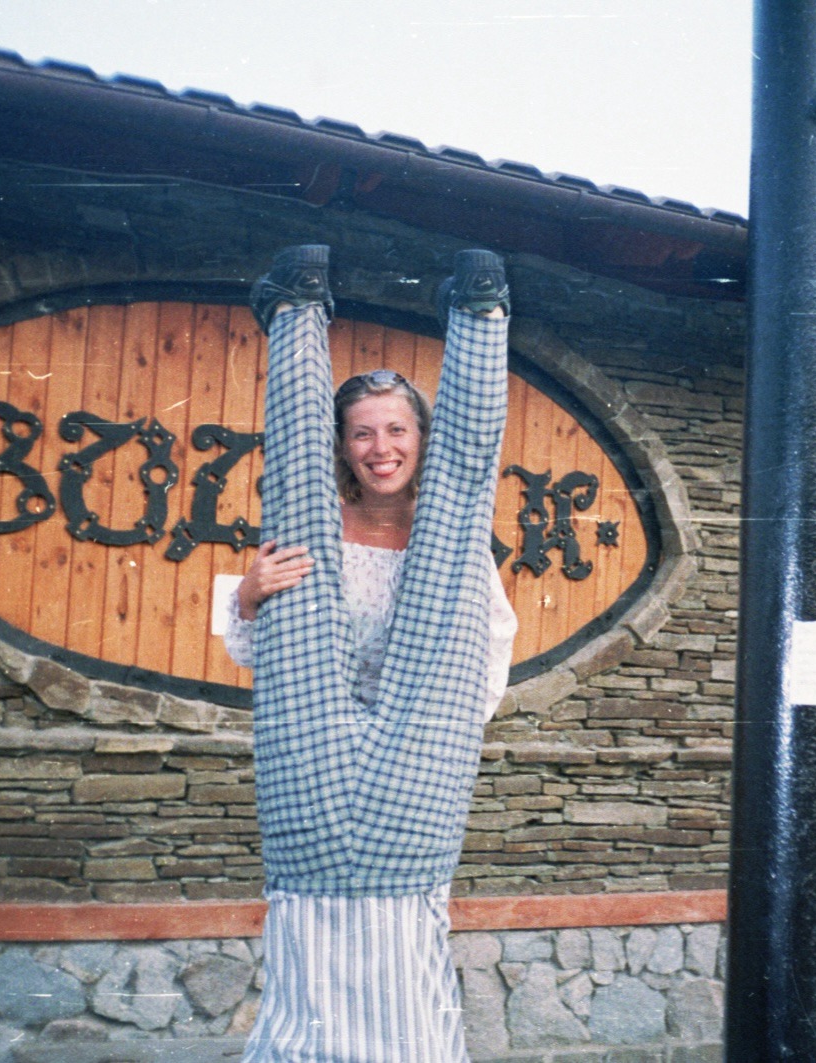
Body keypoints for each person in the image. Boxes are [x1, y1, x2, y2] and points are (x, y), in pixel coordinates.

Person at [221, 244, 518, 1062]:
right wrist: (247, 595)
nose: (379, 446)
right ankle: (345, 310)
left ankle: (313, 309)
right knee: (299, 500)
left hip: (414, 735)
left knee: (446, 503)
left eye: (394, 430)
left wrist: (450, 725)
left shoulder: (454, 545)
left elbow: (490, 644)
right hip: (322, 731)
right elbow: (254, 646)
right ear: (345, 444)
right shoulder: (326, 529)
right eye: (360, 433)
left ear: (417, 436)